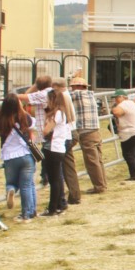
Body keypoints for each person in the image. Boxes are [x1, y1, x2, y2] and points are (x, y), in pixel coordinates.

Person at [0, 92, 38, 222]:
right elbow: (33, 124)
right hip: (26, 155)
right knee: (27, 185)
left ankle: (10, 190)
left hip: (10, 156)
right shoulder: (25, 117)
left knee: (11, 182)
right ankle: (28, 213)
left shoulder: (1, 119)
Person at [68, 74, 108, 194]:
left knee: (91, 161)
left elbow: (63, 95)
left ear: (78, 87)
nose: (71, 89)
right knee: (98, 159)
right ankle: (102, 184)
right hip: (95, 130)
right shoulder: (90, 94)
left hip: (86, 131)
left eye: (73, 87)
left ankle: (99, 186)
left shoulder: (78, 94)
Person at [39, 87, 71, 217]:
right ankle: (58, 205)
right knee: (56, 178)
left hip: (53, 148)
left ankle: (52, 208)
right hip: (58, 148)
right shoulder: (62, 113)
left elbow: (46, 130)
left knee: (54, 180)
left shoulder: (57, 114)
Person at [54, 79, 81, 207]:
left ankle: (62, 198)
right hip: (71, 131)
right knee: (69, 165)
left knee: (62, 166)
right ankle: (74, 194)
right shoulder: (67, 95)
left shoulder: (62, 96)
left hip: (66, 133)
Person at [110, 90, 135, 180]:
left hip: (130, 132)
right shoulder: (131, 104)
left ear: (124, 97)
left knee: (128, 154)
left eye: (117, 97)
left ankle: (134, 175)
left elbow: (116, 112)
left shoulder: (124, 104)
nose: (116, 100)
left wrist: (112, 109)